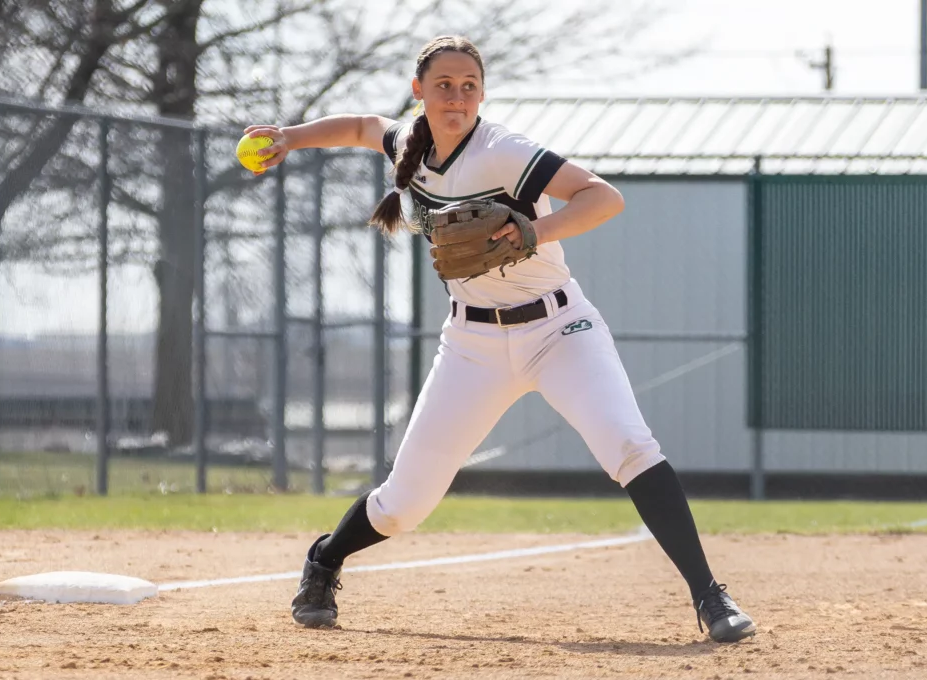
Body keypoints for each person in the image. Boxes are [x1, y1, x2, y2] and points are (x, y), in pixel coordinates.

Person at [245, 35, 756, 644]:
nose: (457, 96)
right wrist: (289, 137)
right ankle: (324, 560)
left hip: (560, 328)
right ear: (420, 92)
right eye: (443, 85)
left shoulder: (504, 151)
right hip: (471, 345)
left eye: (469, 85)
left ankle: (710, 597)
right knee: (403, 505)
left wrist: (532, 232)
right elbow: (360, 126)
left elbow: (603, 197)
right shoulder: (408, 142)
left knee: (629, 445)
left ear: (482, 93)